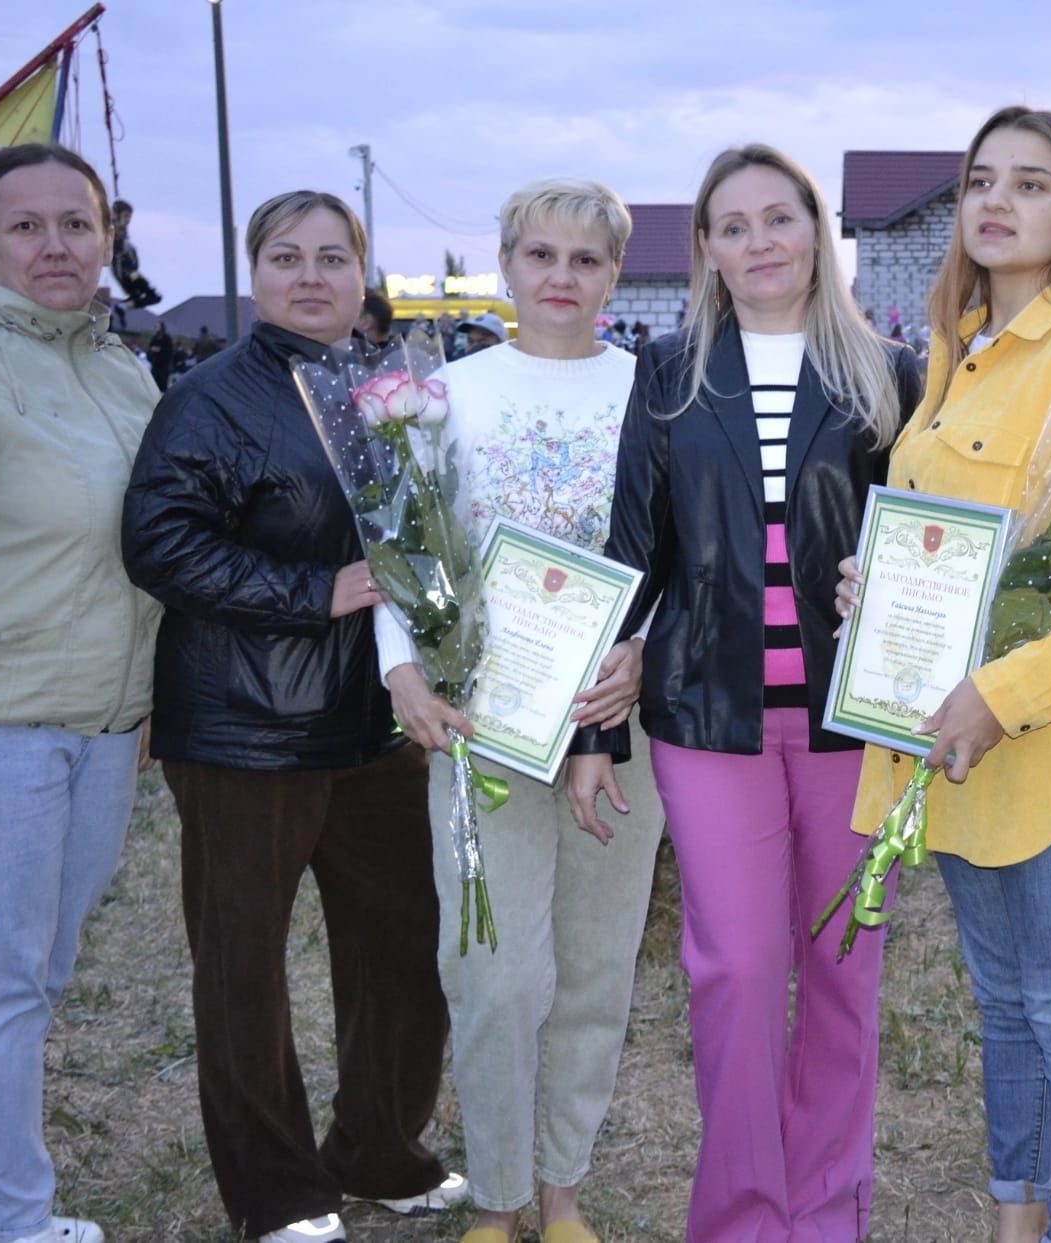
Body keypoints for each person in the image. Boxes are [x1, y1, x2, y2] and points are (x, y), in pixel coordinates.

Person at [573, 143, 922, 1242]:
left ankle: (825, 1212)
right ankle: (739, 1218)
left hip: (849, 724)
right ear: (708, 251)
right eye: (734, 225)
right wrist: (594, 728)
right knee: (734, 971)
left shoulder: (888, 371)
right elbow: (635, 552)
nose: (760, 240)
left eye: (781, 218)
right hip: (705, 716)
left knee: (840, 968)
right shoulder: (666, 373)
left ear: (818, 232)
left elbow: (921, 545)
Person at [839, 106, 1051, 1243]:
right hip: (951, 739)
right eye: (982, 180)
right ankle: (1014, 1225)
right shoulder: (955, 353)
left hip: (1049, 743)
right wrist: (874, 597)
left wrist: (997, 693)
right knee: (1004, 1013)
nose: (995, 201)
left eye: (1031, 184)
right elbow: (952, 543)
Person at [121, 191, 465, 1243]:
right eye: (286, 256)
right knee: (243, 966)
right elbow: (159, 540)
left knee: (405, 944)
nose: (309, 275)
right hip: (246, 728)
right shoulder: (211, 397)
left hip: (374, 725)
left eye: (331, 256)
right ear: (255, 271)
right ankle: (276, 1191)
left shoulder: (384, 387)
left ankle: (377, 1145)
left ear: (362, 272)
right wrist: (315, 591)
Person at [376, 177, 659, 1243]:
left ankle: (562, 1190)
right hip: (484, 721)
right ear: (505, 264)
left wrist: (644, 652)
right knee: (494, 973)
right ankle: (495, 1196)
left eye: (586, 260)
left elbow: (680, 552)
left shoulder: (654, 390)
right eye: (540, 255)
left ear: (614, 276)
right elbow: (403, 552)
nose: (561, 278)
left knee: (593, 966)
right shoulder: (447, 395)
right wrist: (402, 668)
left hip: (614, 721)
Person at [0, 143, 161, 1243]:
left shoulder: (123, 371)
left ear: (110, 234)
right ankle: (15, 1219)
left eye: (77, 223)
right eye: (26, 226)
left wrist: (140, 708)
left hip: (100, 728)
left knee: (29, 981)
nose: (55, 245)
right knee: (1, 987)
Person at [145, 319, 173, 391]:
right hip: (155, 363)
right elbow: (150, 348)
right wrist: (152, 351)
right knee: (153, 382)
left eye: (158, 326)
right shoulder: (155, 338)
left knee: (162, 383)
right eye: (156, 326)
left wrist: (160, 349)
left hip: (163, 364)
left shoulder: (166, 338)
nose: (156, 328)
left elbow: (169, 350)